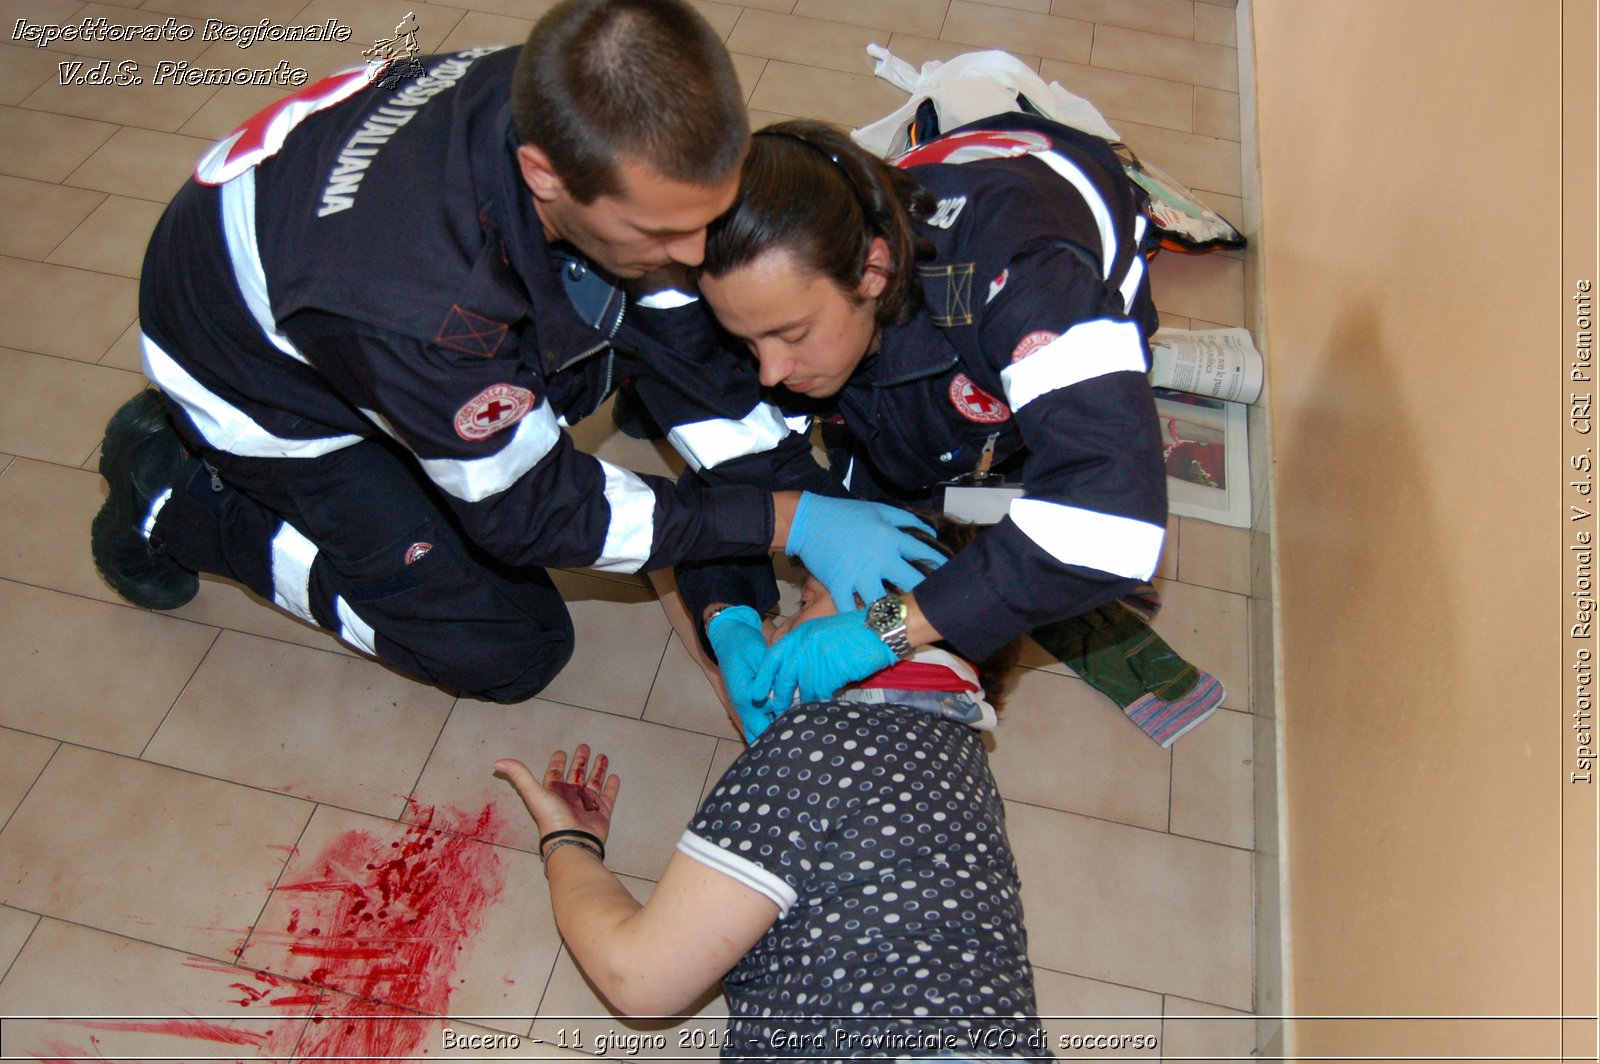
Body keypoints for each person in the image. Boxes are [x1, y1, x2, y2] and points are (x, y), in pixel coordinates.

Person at [89, 0, 940, 703]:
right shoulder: (423, 310)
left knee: (654, 317)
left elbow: (693, 361)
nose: (694, 254)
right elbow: (535, 511)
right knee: (505, 646)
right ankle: (179, 489)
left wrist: (802, 517)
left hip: (345, 292)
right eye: (664, 232)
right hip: (256, 376)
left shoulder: (592, 103)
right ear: (544, 175)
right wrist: (788, 520)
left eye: (706, 219)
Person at [684, 116, 1224, 748]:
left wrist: (887, 627)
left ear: (873, 273)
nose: (770, 366)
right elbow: (732, 466)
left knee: (1012, 469)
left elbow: (1112, 523)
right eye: (747, 338)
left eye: (791, 335)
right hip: (938, 233)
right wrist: (726, 615)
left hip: (1049, 211)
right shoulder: (760, 293)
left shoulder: (1027, 284)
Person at [495, 517, 1050, 1059]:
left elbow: (635, 978)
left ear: (878, 617)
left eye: (804, 602)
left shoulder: (825, 741)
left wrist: (569, 843)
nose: (780, 628)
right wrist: (720, 613)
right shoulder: (959, 760)